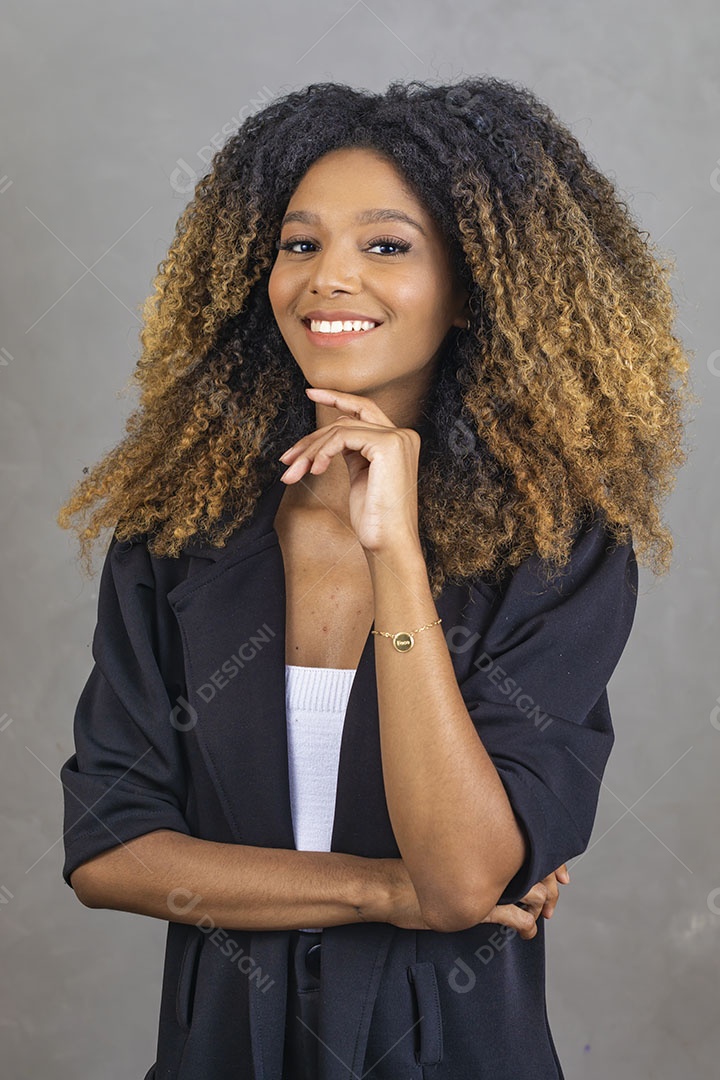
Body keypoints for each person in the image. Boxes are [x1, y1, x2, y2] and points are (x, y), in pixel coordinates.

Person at [56, 77, 691, 1080]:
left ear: (473, 285)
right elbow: (109, 850)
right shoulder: (179, 532)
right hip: (224, 1053)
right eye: (299, 244)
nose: (325, 281)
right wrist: (380, 891)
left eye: (386, 246)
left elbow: (461, 878)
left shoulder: (558, 552)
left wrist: (395, 552)